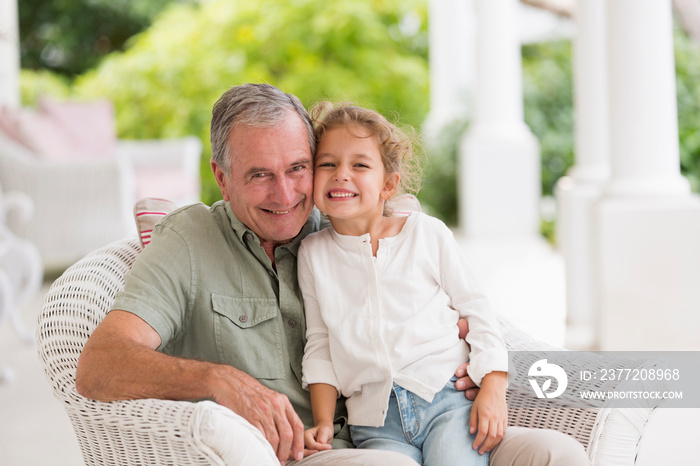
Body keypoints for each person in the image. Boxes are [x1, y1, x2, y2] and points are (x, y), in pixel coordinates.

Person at [75, 83, 591, 466]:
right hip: (316, 449)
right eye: (259, 175)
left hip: (431, 416)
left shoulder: (340, 224)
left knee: (557, 453)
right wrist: (218, 380)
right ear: (221, 177)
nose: (286, 194)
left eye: (299, 167)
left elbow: (452, 302)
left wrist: (476, 365)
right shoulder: (189, 242)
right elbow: (98, 366)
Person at [298, 102, 507, 465]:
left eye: (359, 165)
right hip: (376, 425)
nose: (340, 174)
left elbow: (478, 310)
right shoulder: (313, 254)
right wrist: (322, 421)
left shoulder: (427, 234)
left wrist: (493, 384)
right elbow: (319, 343)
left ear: (388, 184)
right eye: (327, 163)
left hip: (446, 401)